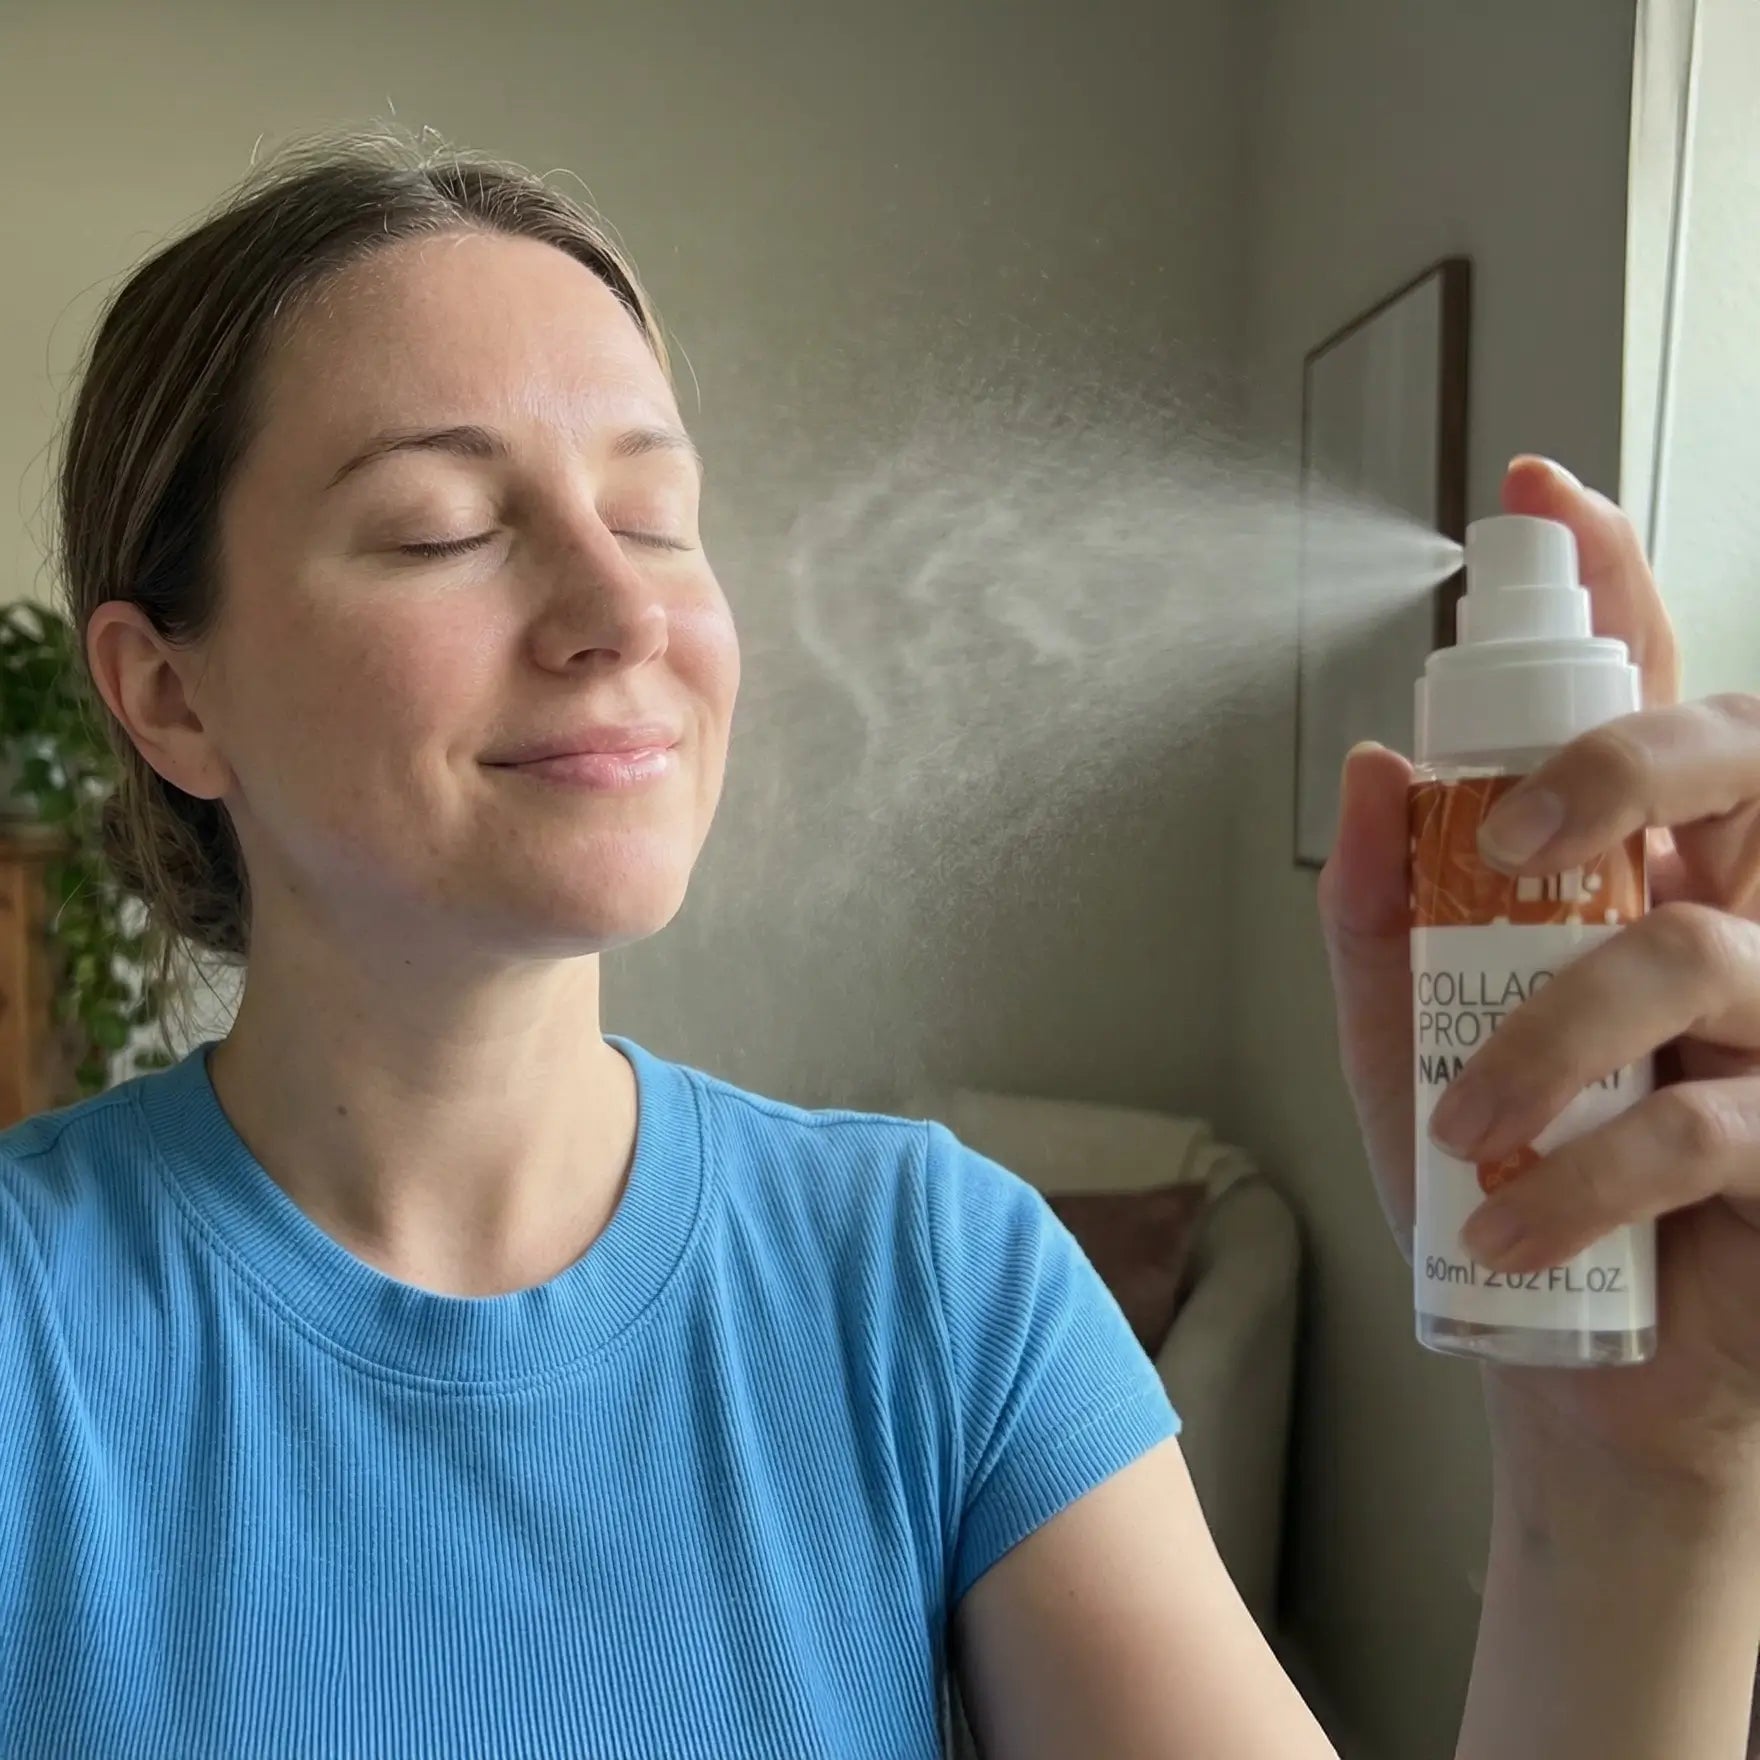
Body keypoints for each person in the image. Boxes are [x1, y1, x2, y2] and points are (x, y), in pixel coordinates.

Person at [1, 131, 1755, 1760]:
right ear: (171, 695)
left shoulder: (933, 1282)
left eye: (656, 517)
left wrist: (1638, 1481)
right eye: (440, 530)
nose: (622, 610)